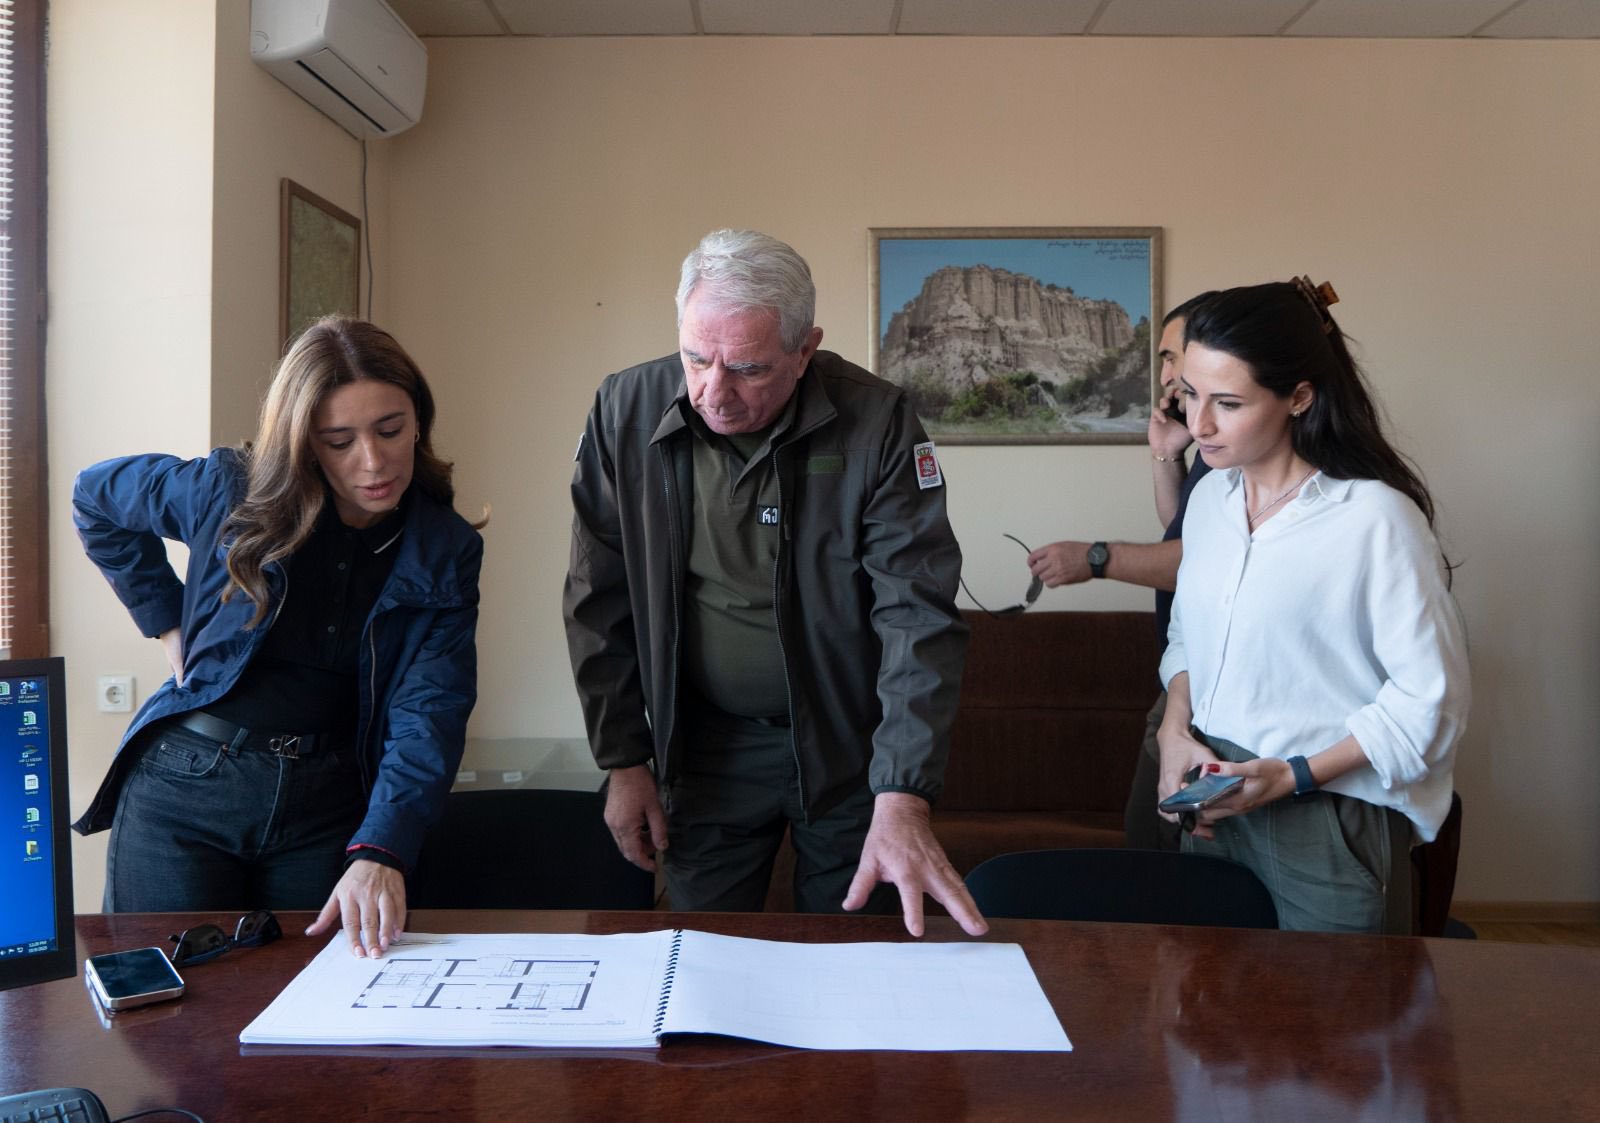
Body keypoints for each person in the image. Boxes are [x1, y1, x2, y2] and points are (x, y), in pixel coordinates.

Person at [564, 229, 986, 937]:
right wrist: (623, 759)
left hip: (848, 749)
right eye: (696, 358)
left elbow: (917, 612)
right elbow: (595, 598)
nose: (714, 392)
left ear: (804, 349)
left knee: (853, 955)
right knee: (702, 955)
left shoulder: (877, 421)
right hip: (705, 750)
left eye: (748, 368)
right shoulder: (624, 410)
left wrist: (902, 793)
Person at [72, 317, 484, 958]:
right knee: (167, 1001)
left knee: (321, 996)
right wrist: (166, 622)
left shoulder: (443, 548)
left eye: (390, 430)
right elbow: (94, 498)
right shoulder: (229, 488)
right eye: (339, 441)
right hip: (186, 790)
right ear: (303, 442)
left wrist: (383, 847)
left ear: (418, 421)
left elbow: (430, 709)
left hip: (329, 805)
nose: (373, 461)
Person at [1156, 279, 1470, 933]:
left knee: (1341, 1001)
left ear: (1299, 397)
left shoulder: (1375, 519)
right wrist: (1173, 732)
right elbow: (1188, 634)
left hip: (1324, 813)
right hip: (1215, 801)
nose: (1199, 424)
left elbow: (1430, 701)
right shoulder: (1211, 499)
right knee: (1210, 993)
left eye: (1228, 403)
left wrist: (1291, 777)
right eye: (1190, 394)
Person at [1024, 291, 1218, 850]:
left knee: (1157, 846)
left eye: (1172, 356)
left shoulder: (1243, 449)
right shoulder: (1209, 442)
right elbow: (1179, 528)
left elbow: (1204, 565)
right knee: (1150, 838)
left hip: (1214, 686)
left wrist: (1095, 558)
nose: (1165, 375)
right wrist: (1166, 453)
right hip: (1186, 678)